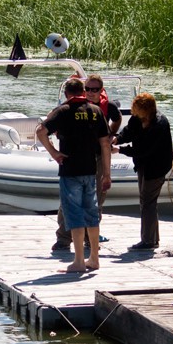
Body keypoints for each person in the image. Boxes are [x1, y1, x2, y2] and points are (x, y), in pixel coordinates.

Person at [36, 78, 112, 272]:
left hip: (70, 170)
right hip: (91, 170)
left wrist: (54, 153)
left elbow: (41, 131)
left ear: (67, 94)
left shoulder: (62, 111)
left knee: (75, 215)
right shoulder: (95, 111)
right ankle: (94, 258)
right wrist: (107, 174)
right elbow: (105, 144)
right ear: (83, 92)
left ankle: (79, 261)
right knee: (92, 214)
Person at [52, 74, 122, 251]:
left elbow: (111, 131)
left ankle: (90, 239)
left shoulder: (104, 108)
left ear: (101, 91)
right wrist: (55, 152)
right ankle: (64, 238)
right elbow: (47, 128)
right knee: (68, 201)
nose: (91, 93)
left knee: (95, 200)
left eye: (95, 90)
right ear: (83, 90)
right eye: (88, 89)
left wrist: (112, 135)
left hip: (96, 158)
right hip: (73, 159)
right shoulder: (69, 108)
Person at [112, 92, 173, 251]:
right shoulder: (138, 118)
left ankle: (147, 241)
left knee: (147, 203)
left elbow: (143, 150)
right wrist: (117, 138)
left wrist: (119, 150)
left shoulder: (159, 125)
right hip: (144, 165)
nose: (133, 112)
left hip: (156, 167)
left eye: (136, 110)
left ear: (147, 110)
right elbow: (129, 131)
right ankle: (153, 239)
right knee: (148, 202)